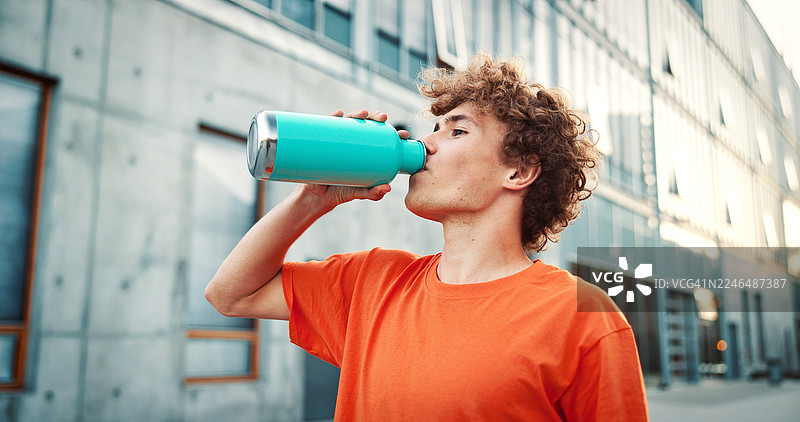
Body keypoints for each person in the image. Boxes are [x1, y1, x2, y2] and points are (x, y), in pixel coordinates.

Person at [205, 53, 649, 421]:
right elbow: (230, 295)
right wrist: (312, 200)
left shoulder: (584, 318)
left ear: (519, 171)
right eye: (433, 129)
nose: (428, 145)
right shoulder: (373, 282)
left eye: (457, 131)